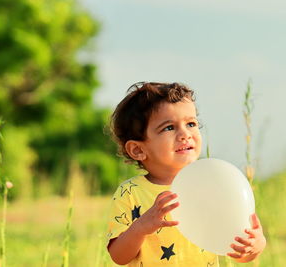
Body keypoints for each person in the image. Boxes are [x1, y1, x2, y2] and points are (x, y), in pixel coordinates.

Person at [106, 82, 266, 266]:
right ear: (138, 149)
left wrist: (255, 245)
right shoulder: (130, 193)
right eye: (169, 127)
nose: (185, 134)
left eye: (191, 124)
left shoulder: (214, 185)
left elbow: (236, 250)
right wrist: (140, 228)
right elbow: (119, 257)